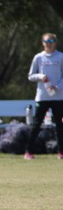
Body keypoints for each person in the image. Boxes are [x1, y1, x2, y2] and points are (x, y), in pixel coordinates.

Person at [24, 32, 63, 160]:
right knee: (37, 124)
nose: (49, 44)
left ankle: (61, 152)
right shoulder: (38, 58)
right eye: (47, 41)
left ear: (55, 43)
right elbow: (31, 76)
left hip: (58, 97)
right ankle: (28, 151)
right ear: (43, 43)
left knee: (59, 125)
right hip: (43, 96)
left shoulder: (60, 57)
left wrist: (57, 87)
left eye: (51, 41)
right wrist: (41, 77)